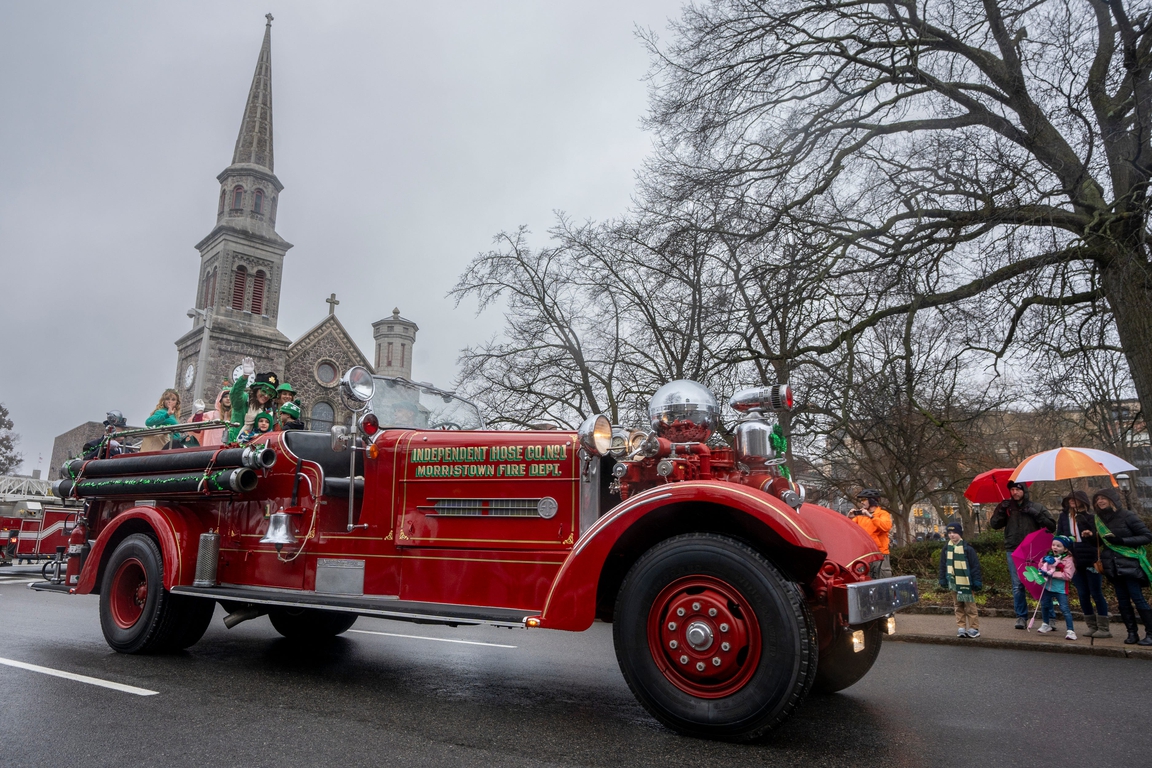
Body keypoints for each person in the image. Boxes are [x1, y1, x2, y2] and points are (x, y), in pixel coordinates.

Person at [989, 480, 1056, 629]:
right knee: (1017, 585)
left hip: (1034, 550)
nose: (1014, 493)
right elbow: (994, 524)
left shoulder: (1036, 507)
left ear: (1024, 491)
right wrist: (1001, 511)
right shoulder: (1007, 509)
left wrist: (1035, 514)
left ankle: (1049, 617)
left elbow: (1051, 526)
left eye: (1017, 490)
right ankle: (1021, 617)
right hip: (1014, 549)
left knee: (1040, 582)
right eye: (1012, 490)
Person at [1092, 488, 1152, 646]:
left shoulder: (1127, 516)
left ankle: (1150, 633)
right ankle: (1132, 633)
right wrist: (1092, 538)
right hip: (1112, 567)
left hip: (1130, 565)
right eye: (1097, 499)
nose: (1100, 501)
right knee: (1123, 602)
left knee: (1138, 600)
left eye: (1103, 498)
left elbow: (1147, 536)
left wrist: (1122, 541)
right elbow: (1102, 545)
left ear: (1112, 499)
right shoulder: (1098, 520)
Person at [1056, 491, 1111, 638]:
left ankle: (1104, 628)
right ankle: (1091, 626)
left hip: (1090, 558)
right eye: (1069, 499)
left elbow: (1099, 537)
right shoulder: (1063, 517)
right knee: (1082, 594)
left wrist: (1089, 531)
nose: (1071, 501)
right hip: (1073, 558)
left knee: (1096, 593)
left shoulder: (1092, 517)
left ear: (1082, 500)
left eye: (1074, 499)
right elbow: (1060, 534)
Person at [938, 521, 982, 638]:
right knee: (958, 606)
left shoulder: (968, 549)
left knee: (970, 606)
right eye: (950, 533)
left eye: (955, 532)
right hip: (953, 582)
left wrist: (977, 581)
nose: (952, 535)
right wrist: (943, 579)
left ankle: (974, 628)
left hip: (967, 582)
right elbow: (943, 565)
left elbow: (975, 566)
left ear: (960, 534)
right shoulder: (946, 549)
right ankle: (961, 627)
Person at [228, 357, 278, 443]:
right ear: (256, 389)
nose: (266, 396)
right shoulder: (244, 400)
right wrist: (245, 377)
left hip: (256, 446)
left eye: (270, 394)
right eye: (264, 391)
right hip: (235, 444)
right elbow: (235, 393)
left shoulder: (267, 409)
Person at [1038, 535, 1078, 640]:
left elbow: (1068, 575)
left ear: (1065, 548)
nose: (1055, 547)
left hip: (1060, 589)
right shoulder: (1048, 557)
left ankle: (1070, 630)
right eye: (1053, 545)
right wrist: (1042, 566)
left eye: (1059, 546)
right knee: (1044, 605)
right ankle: (1046, 624)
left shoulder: (1068, 560)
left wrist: (1053, 573)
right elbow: (1040, 566)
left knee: (1064, 608)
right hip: (1047, 587)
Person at [850, 489, 893, 578]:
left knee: (882, 582)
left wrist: (871, 516)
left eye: (864, 500)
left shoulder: (883, 514)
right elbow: (849, 531)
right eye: (861, 500)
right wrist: (848, 518)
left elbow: (885, 527)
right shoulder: (860, 517)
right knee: (863, 581)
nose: (862, 502)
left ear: (872, 500)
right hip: (864, 554)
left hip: (880, 554)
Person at [191, 384, 232, 448]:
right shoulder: (212, 415)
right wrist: (200, 411)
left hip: (230, 448)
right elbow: (197, 429)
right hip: (213, 448)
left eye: (230, 397)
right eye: (225, 397)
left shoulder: (235, 415)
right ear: (220, 400)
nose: (228, 399)